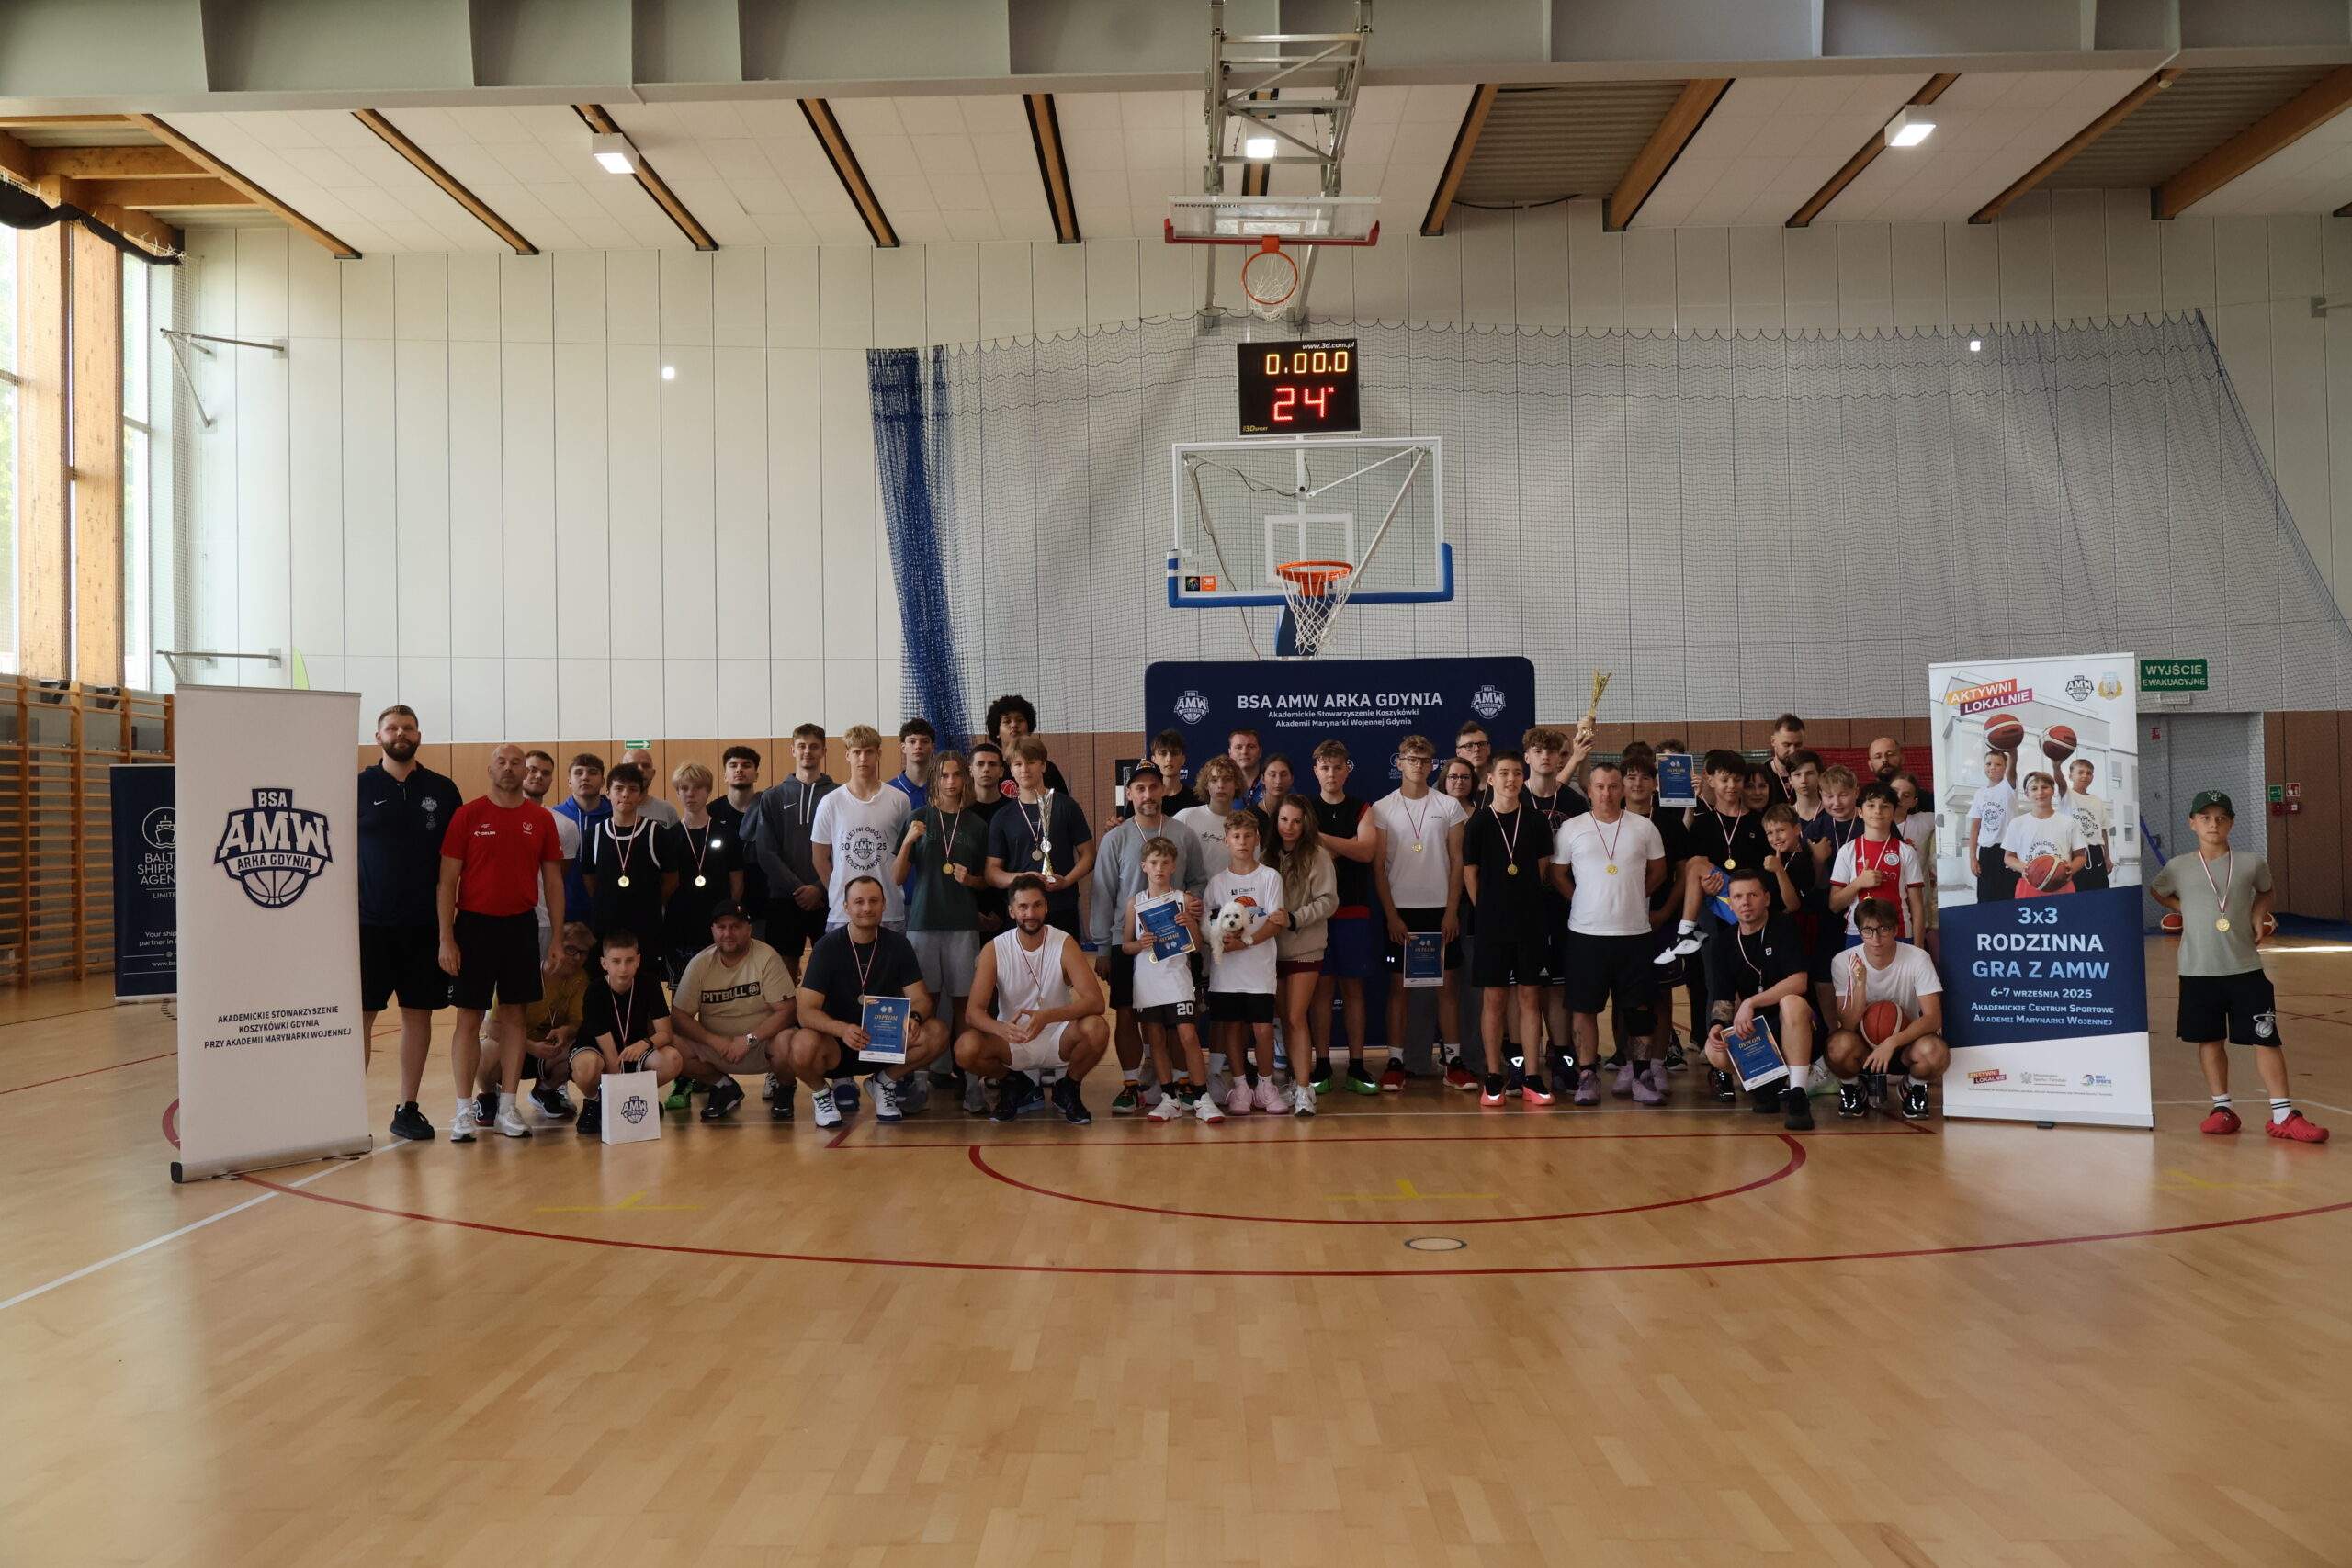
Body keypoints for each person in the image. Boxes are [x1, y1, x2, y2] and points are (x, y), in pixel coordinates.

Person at [2150, 791, 2325, 1143]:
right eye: (2205, 817)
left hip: (2245, 968)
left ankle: (2283, 1114)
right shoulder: (2178, 867)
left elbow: (2266, 891)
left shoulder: (2250, 863)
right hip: (2198, 970)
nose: (2213, 824)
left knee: (2266, 1037)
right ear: (2192, 823)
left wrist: (2259, 913)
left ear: (2231, 822)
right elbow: (2158, 890)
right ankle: (2222, 1108)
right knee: (2210, 1040)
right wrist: (2185, 909)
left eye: (2221, 818)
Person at [435, 743, 567, 1142]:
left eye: (516, 763)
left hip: (521, 927)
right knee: (468, 1018)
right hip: (473, 927)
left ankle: (509, 1106)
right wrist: (446, 938)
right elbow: (447, 882)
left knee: (515, 1016)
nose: (509, 769)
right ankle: (463, 1109)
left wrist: (557, 938)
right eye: (502, 763)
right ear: (490, 769)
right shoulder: (467, 815)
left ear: (525, 771)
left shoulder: (540, 819)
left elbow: (553, 882)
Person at [358, 705, 465, 1143]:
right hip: (368, 926)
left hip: (424, 927)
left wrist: (447, 934)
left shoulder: (442, 789)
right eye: (392, 728)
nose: (400, 734)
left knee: (418, 1015)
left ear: (419, 735)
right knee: (361, 1018)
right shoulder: (357, 786)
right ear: (378, 736)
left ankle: (408, 1108)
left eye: (408, 728)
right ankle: (348, 1111)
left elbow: (453, 865)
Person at [1090, 761, 1208, 1115]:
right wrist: (1103, 947)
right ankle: (1132, 1086)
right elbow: (1102, 893)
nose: (1147, 794)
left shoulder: (1183, 834)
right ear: (1129, 793)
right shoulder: (1115, 838)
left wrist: (1195, 903)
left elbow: (1198, 880)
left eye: (1153, 787)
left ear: (1163, 790)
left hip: (1176, 939)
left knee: (1178, 1015)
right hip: (1127, 942)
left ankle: (1182, 1082)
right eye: (1139, 788)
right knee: (1127, 1014)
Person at [786, 875, 950, 1128]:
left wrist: (914, 1018)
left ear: (884, 905)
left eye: (874, 901)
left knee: (937, 1032)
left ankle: (884, 1081)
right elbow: (806, 1012)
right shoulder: (826, 947)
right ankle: (822, 1094)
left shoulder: (898, 945)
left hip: (884, 1041)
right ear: (846, 906)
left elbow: (920, 999)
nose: (867, 908)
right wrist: (842, 1029)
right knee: (801, 1044)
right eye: (859, 902)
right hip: (837, 1044)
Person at [1549, 760, 1668, 1106]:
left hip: (1634, 934)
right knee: (1584, 1008)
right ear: (1589, 790)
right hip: (1586, 935)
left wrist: (1634, 897)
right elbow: (1557, 874)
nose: (1607, 793)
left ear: (1623, 789)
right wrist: (1581, 900)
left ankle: (1642, 1075)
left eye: (1613, 786)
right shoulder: (1571, 828)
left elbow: (1658, 872)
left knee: (1639, 1008)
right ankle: (1588, 1075)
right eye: (1600, 787)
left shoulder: (1644, 828)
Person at [956, 875, 1111, 1123]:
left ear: (1046, 907)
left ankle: (1068, 1087)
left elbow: (1095, 1002)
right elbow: (973, 1013)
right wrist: (1002, 1029)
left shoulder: (1064, 943)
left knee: (1097, 1028)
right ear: (1011, 911)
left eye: (1037, 905)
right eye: (1023, 907)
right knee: (965, 1048)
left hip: (1059, 1036)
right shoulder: (994, 949)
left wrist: (1047, 1016)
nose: (1031, 913)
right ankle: (1015, 1084)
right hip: (1014, 1038)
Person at [1373, 734, 1470, 1091]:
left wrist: (1452, 911)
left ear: (1432, 765)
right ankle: (1395, 1062)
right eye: (1412, 759)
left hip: (1440, 910)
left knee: (1447, 988)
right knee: (1400, 989)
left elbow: (1458, 861)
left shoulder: (1450, 806)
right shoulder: (1382, 807)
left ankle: (1453, 1062)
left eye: (1425, 760)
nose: (1418, 765)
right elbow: (1378, 867)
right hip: (1401, 912)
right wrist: (1392, 916)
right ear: (1399, 762)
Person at [894, 751, 990, 1109]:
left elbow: (985, 881)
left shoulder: (976, 825)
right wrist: (907, 842)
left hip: (963, 925)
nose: (951, 782)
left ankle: (972, 1082)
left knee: (965, 1004)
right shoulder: (918, 818)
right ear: (935, 779)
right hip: (923, 924)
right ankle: (919, 1082)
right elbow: (897, 877)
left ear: (965, 779)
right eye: (945, 775)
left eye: (957, 775)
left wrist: (971, 880)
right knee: (925, 1004)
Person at [1463, 750, 1555, 1105]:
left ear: (1523, 778)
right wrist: (1486, 910)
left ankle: (1532, 1076)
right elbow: (1470, 873)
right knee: (1494, 999)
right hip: (1492, 926)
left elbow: (1542, 867)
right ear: (1490, 779)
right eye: (1503, 773)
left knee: (1530, 998)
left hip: (1530, 923)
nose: (1511, 779)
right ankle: (1493, 1077)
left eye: (1517, 773)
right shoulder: (1478, 823)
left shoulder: (1535, 821)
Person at [1700, 868, 1816, 1131]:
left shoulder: (1784, 927)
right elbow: (1722, 997)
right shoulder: (1724, 943)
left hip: (1799, 1026)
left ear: (1766, 898)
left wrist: (1751, 1002)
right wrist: (1717, 1025)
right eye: (1738, 897)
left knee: (1791, 1002)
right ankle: (1766, 1084)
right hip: (1757, 1031)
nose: (1745, 902)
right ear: (1730, 903)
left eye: (1752, 895)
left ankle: (1798, 1094)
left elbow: (1799, 982)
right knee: (1713, 1049)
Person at [668, 901, 798, 1123]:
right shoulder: (699, 963)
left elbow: (787, 1011)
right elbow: (679, 1017)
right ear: (712, 931)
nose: (728, 933)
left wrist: (749, 1040)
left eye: (735, 927)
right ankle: (723, 1086)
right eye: (721, 927)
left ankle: (784, 1087)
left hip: (761, 1046)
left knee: (790, 1041)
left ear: (749, 929)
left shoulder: (767, 957)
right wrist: (715, 1041)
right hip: (717, 1049)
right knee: (670, 1042)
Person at [1120, 836, 1220, 1123]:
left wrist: (1190, 924)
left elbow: (1198, 946)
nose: (1159, 868)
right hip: (1147, 981)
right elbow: (1126, 945)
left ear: (1174, 866)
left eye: (1165, 863)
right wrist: (1139, 944)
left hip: (1177, 979)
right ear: (1144, 866)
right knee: (1156, 1039)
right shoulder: (1134, 903)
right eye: (1154, 863)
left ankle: (1202, 1098)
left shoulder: (1184, 900)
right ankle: (1169, 1099)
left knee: (1188, 1036)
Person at [1824, 898, 1947, 1121]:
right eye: (1868, 930)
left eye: (1883, 929)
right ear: (1859, 932)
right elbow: (1847, 1025)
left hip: (1904, 1045)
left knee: (1935, 1052)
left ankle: (1913, 1086)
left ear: (1895, 930)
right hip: (1863, 1049)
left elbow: (1933, 1018)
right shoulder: (1843, 961)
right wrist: (1860, 985)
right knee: (1837, 1047)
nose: (1876, 938)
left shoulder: (1918, 958)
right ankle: (1853, 1086)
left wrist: (1891, 1042)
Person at [1306, 740, 1381, 1095]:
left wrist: (1322, 839)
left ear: (1347, 770)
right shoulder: (1305, 809)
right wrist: (1346, 844)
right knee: (1321, 990)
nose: (1332, 773)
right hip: (1315, 914)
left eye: (1338, 767)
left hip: (1354, 910)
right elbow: (1304, 854)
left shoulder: (1361, 807)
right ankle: (1321, 1065)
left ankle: (1356, 1066)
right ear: (1316, 771)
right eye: (1325, 767)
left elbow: (1366, 852)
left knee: (1353, 990)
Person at [1203, 807, 1288, 1115]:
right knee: (1232, 1031)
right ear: (1226, 840)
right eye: (1236, 836)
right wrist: (1221, 942)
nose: (1242, 841)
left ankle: (1265, 1088)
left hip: (1260, 971)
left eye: (1247, 836)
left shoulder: (1270, 877)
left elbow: (1275, 922)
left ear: (1257, 840)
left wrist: (1245, 942)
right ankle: (1240, 1088)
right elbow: (1208, 926)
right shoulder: (1217, 883)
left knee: (1263, 1031)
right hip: (1226, 974)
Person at [1657, 750, 1771, 964]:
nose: (1731, 786)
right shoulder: (1702, 823)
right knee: (1718, 969)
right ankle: (1688, 934)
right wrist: (1705, 888)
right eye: (1724, 780)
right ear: (1710, 780)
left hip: (1749, 901)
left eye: (1737, 780)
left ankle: (1686, 933)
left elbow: (1767, 867)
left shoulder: (1759, 822)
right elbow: (1691, 872)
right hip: (1717, 905)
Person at [478, 919, 593, 1126]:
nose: (577, 958)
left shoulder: (580, 978)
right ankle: (487, 1096)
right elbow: (492, 1027)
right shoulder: (522, 974)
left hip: (547, 1051)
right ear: (554, 946)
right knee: (486, 1049)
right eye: (570, 949)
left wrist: (566, 1031)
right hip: (515, 1048)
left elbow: (577, 1021)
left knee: (580, 1049)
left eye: (583, 953)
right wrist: (529, 1046)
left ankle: (545, 1091)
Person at [570, 930, 683, 1137]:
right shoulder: (595, 990)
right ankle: (594, 1101)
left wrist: (644, 1043)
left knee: (672, 1059)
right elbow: (612, 1057)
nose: (623, 968)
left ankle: (641, 1095)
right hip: (599, 1052)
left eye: (629, 960)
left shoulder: (649, 983)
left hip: (633, 1049)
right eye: (616, 961)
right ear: (604, 963)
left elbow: (665, 1033)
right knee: (588, 1066)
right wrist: (618, 1096)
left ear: (638, 961)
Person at [984, 736, 1094, 936]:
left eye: (1031, 762)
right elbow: (991, 873)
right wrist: (1022, 877)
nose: (1024, 769)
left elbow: (1088, 854)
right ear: (1011, 770)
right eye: (1018, 764)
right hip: (1021, 910)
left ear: (1043, 766)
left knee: (1063, 957)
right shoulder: (1002, 816)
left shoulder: (1066, 806)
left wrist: (1067, 881)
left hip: (1061, 905)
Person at [1271, 796, 1339, 1114]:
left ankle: (1303, 1089)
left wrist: (1295, 918)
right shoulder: (1265, 854)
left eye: (1297, 821)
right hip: (1271, 950)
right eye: (1284, 820)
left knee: (1296, 1017)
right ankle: (1293, 1082)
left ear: (1306, 823)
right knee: (1285, 1019)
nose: (1289, 827)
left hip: (1305, 948)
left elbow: (1329, 901)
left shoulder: (1317, 854)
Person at [810, 725, 914, 931]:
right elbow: (819, 857)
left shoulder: (899, 800)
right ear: (847, 755)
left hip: (889, 910)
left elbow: (906, 853)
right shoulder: (830, 802)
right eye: (857, 752)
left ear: (879, 754)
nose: (863, 758)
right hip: (843, 913)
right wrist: (839, 891)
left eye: (869, 752)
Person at [752, 724, 835, 975]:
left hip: (829, 897)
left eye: (814, 747)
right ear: (793, 750)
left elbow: (843, 850)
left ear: (824, 751)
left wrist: (819, 888)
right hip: (784, 898)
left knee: (832, 970)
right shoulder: (773, 796)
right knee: (783, 974)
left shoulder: (838, 795)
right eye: (802, 746)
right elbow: (766, 852)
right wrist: (798, 889)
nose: (807, 751)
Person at [661, 761, 745, 983]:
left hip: (717, 925)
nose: (691, 794)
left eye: (697, 788)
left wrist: (727, 916)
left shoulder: (727, 834)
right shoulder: (669, 837)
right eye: (684, 788)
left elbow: (737, 882)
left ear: (708, 791)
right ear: (677, 792)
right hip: (679, 925)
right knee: (681, 990)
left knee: (719, 988)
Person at [580, 762, 671, 956]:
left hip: (646, 926)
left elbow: (671, 880)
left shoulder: (657, 834)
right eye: (619, 788)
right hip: (606, 926)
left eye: (632, 789)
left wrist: (650, 902)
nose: (625, 794)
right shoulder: (593, 835)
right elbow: (590, 880)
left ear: (640, 796)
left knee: (645, 973)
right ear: (608, 794)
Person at [1831, 781, 1928, 940]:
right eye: (1871, 805)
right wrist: (1858, 883)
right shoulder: (1847, 851)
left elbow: (1917, 906)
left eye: (1885, 806)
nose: (1877, 811)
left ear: (1893, 812)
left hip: (1900, 933)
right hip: (1858, 933)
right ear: (1860, 812)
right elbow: (1835, 905)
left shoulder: (1906, 851)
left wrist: (1919, 947)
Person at [519, 749, 581, 961]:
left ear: (551, 780)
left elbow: (558, 877)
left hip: (543, 920)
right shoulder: (497, 816)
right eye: (532, 770)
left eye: (545, 773)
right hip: (502, 917)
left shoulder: (565, 825)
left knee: (541, 980)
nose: (538, 776)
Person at [1999, 772, 2084, 899]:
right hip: (2029, 886)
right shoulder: (2017, 823)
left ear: (2053, 791)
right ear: (2027, 794)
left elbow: (2081, 856)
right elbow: (2008, 857)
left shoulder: (2069, 822)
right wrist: (2024, 868)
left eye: (2045, 787)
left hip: (2062, 885)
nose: (2040, 792)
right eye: (2034, 788)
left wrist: (2070, 869)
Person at [711, 745, 766, 934]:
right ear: (725, 775)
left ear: (756, 775)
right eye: (733, 765)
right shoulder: (712, 812)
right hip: (723, 902)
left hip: (763, 901)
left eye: (746, 765)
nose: (740, 770)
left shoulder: (768, 809)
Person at [552, 752, 613, 922]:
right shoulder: (554, 816)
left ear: (603, 781)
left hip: (607, 906)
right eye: (579, 773)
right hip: (565, 906)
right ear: (569, 781)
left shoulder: (616, 815)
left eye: (592, 772)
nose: (585, 777)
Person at [1174, 756, 1248, 876]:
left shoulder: (1246, 824)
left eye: (1227, 779)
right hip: (1194, 888)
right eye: (1214, 780)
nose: (1221, 785)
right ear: (1206, 785)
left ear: (1237, 784)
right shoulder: (1185, 817)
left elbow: (1251, 869)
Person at [984, 694, 1069, 795]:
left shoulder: (1047, 768)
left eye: (1020, 720)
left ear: (1029, 727)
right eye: (1007, 721)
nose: (1014, 725)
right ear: (997, 731)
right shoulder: (991, 769)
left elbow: (1061, 802)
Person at [1965, 747, 2018, 903]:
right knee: (1986, 898)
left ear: (2006, 767)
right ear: (1983, 766)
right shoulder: (1980, 793)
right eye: (1988, 764)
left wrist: (2013, 751)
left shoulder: (2009, 786)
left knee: (2008, 896)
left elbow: (2013, 767)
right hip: (1987, 852)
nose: (1993, 767)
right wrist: (1973, 858)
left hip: (2008, 850)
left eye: (1998, 764)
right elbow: (1975, 827)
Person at [2063, 758, 2114, 891]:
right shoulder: (2066, 796)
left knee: (2100, 892)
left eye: (2089, 773)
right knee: (2078, 893)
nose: (2085, 776)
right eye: (2080, 772)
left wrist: (2107, 857)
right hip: (2075, 852)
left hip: (2096, 853)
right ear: (2070, 776)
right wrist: (2056, 765)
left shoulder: (2097, 801)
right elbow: (2059, 782)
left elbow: (2103, 831)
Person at [619, 748, 681, 825]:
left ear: (653, 773)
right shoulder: (612, 810)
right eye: (633, 766)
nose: (640, 769)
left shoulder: (667, 810)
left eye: (646, 766)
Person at [1149, 729, 1202, 814]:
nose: (1169, 759)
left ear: (1183, 759)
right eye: (1163, 753)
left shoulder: (1197, 799)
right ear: (1153, 760)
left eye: (1175, 753)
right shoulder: (1146, 800)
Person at [889, 717, 935, 810]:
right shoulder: (889, 790)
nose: (918, 746)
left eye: (924, 741)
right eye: (912, 741)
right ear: (903, 747)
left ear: (932, 747)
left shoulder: (944, 787)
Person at [1766, 714, 1806, 803]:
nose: (1793, 751)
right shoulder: (1763, 775)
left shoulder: (1810, 776)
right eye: (1786, 745)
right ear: (1773, 741)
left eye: (1798, 745)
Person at [1226, 726, 1265, 807]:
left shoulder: (1274, 784)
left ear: (1260, 751)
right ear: (1230, 753)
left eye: (1251, 746)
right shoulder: (1222, 786)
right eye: (1238, 747)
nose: (1244, 752)